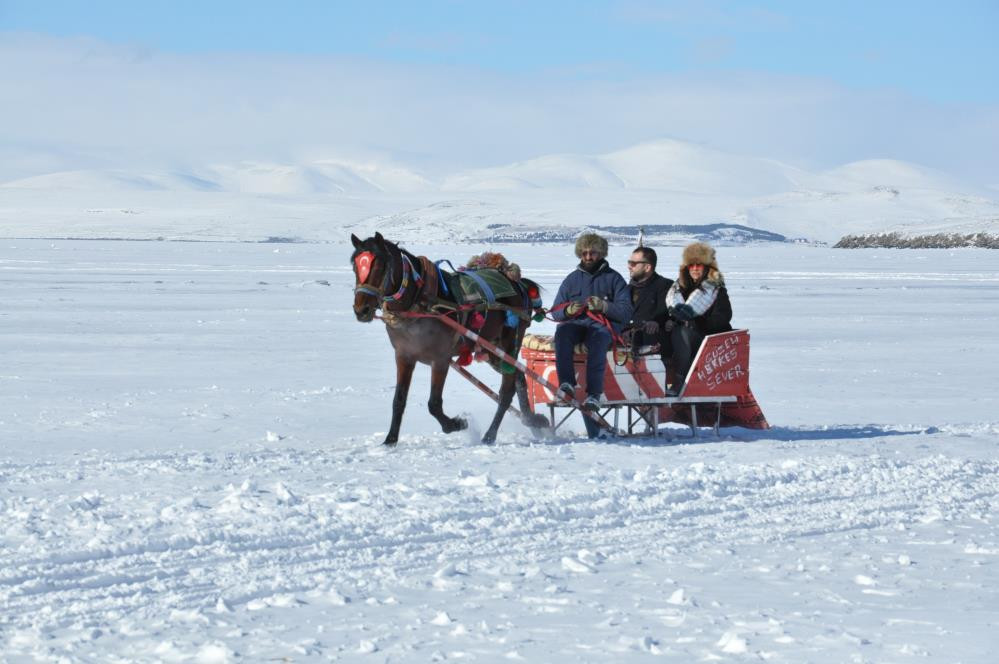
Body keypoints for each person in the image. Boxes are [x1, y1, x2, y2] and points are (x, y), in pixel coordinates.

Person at [550, 233, 632, 424]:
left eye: (593, 253)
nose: (588, 257)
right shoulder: (571, 279)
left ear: (601, 253)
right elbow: (556, 311)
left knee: (598, 341)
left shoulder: (615, 279)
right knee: (562, 333)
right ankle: (566, 384)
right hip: (577, 324)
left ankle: (594, 394)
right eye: (584, 253)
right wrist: (568, 310)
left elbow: (626, 311)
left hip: (602, 326)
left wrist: (604, 307)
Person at [665, 242, 733, 394]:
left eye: (699, 265)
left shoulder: (715, 290)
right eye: (691, 265)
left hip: (709, 340)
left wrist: (696, 322)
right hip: (685, 336)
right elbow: (672, 314)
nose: (695, 269)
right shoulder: (677, 290)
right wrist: (670, 321)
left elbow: (723, 317)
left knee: (681, 333)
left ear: (707, 267)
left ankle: (680, 380)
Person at [624, 246, 674, 373]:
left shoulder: (665, 285)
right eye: (629, 262)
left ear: (647, 267)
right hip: (627, 339)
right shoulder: (627, 289)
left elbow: (664, 313)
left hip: (654, 341)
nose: (629, 266)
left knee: (648, 332)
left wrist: (652, 322)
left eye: (634, 263)